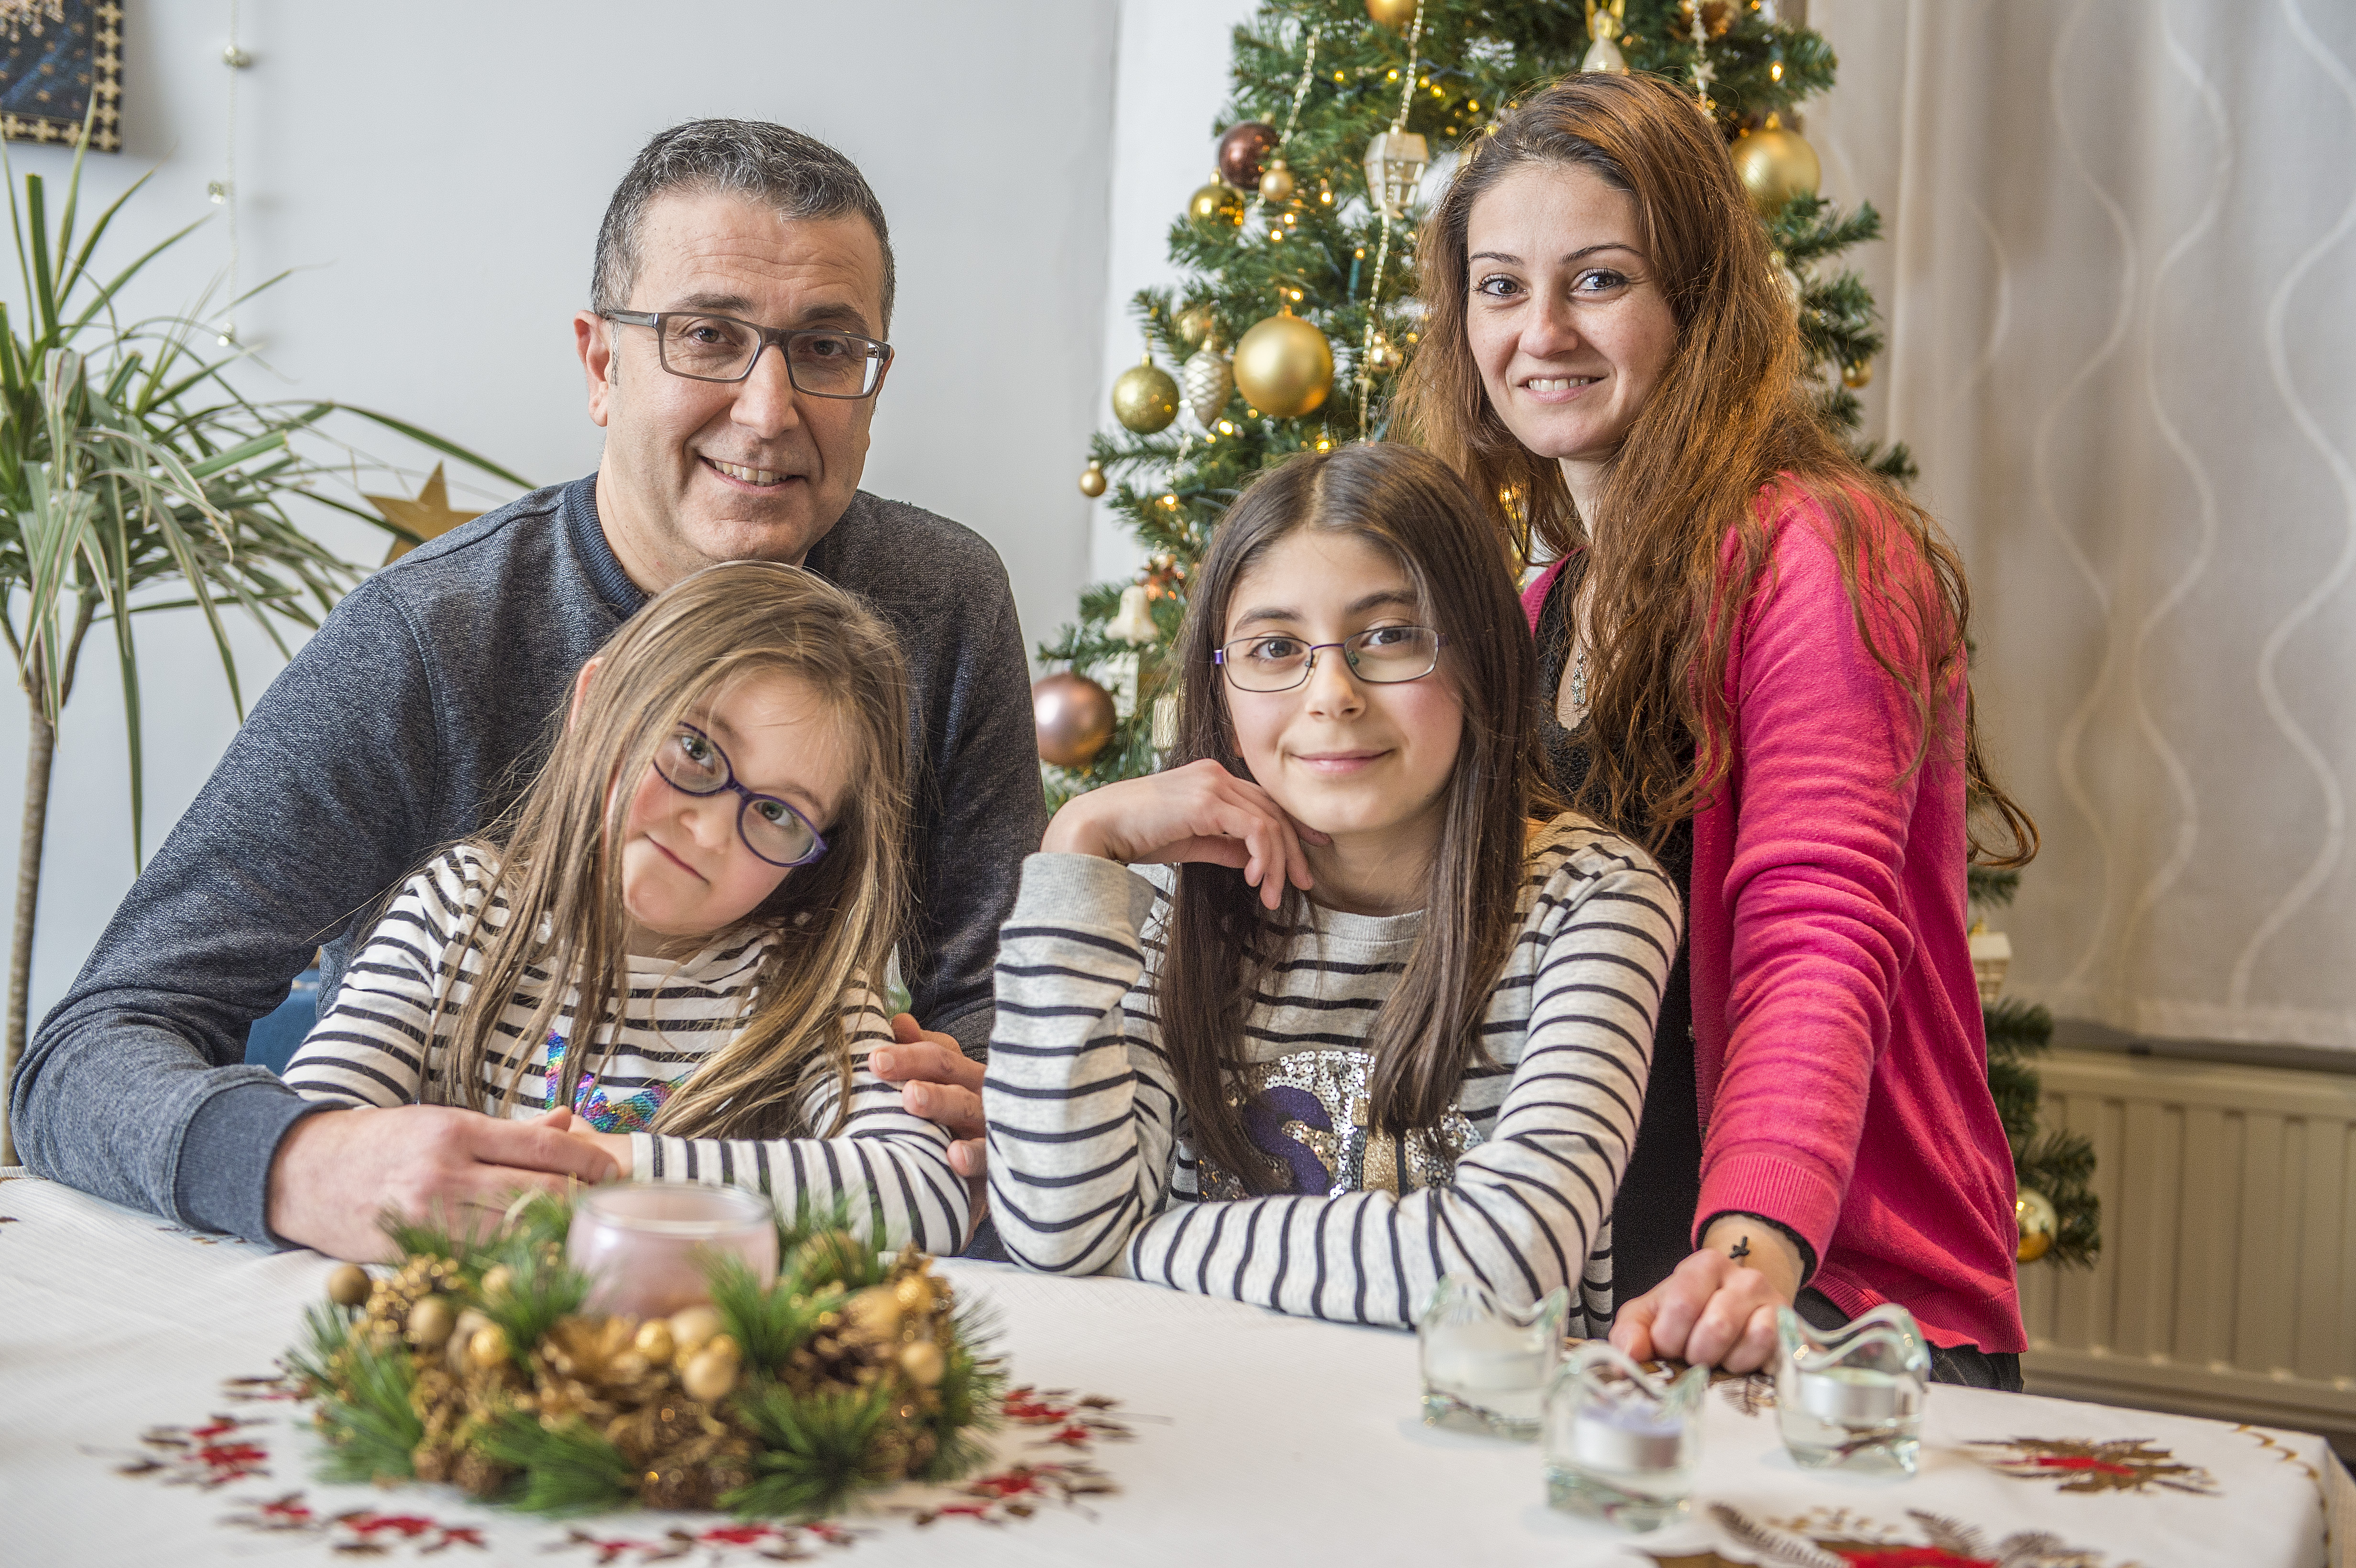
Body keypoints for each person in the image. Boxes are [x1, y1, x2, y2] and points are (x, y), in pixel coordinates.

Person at [12, 121, 1035, 1259]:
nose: (768, 410)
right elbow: (90, 1051)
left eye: (828, 350)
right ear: (603, 365)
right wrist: (305, 1159)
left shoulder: (943, 601)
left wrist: (1000, 1100)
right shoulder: (426, 637)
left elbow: (983, 1014)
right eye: (706, 335)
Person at [1393, 73, 2037, 1384]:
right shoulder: (1530, 613)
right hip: (1603, 1300)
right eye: (1501, 287)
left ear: (1696, 296)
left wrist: (1748, 1264)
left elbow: (1818, 926)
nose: (1543, 332)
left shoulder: (1816, 551)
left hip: (1825, 1301)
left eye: (1601, 280)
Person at [982, 443, 1679, 1330]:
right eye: (1274, 648)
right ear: (1221, 681)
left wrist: (1143, 1241)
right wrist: (1076, 846)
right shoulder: (1166, 896)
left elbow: (1504, 1268)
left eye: (1389, 636)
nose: (1331, 694)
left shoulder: (1597, 901)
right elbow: (1052, 1226)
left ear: (1481, 656)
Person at [282, 562, 968, 1256]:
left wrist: (615, 1167)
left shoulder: (803, 984)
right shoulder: (453, 910)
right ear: (595, 705)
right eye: (695, 749)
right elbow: (313, 1143)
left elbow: (925, 1192)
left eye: (775, 812)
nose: (707, 830)